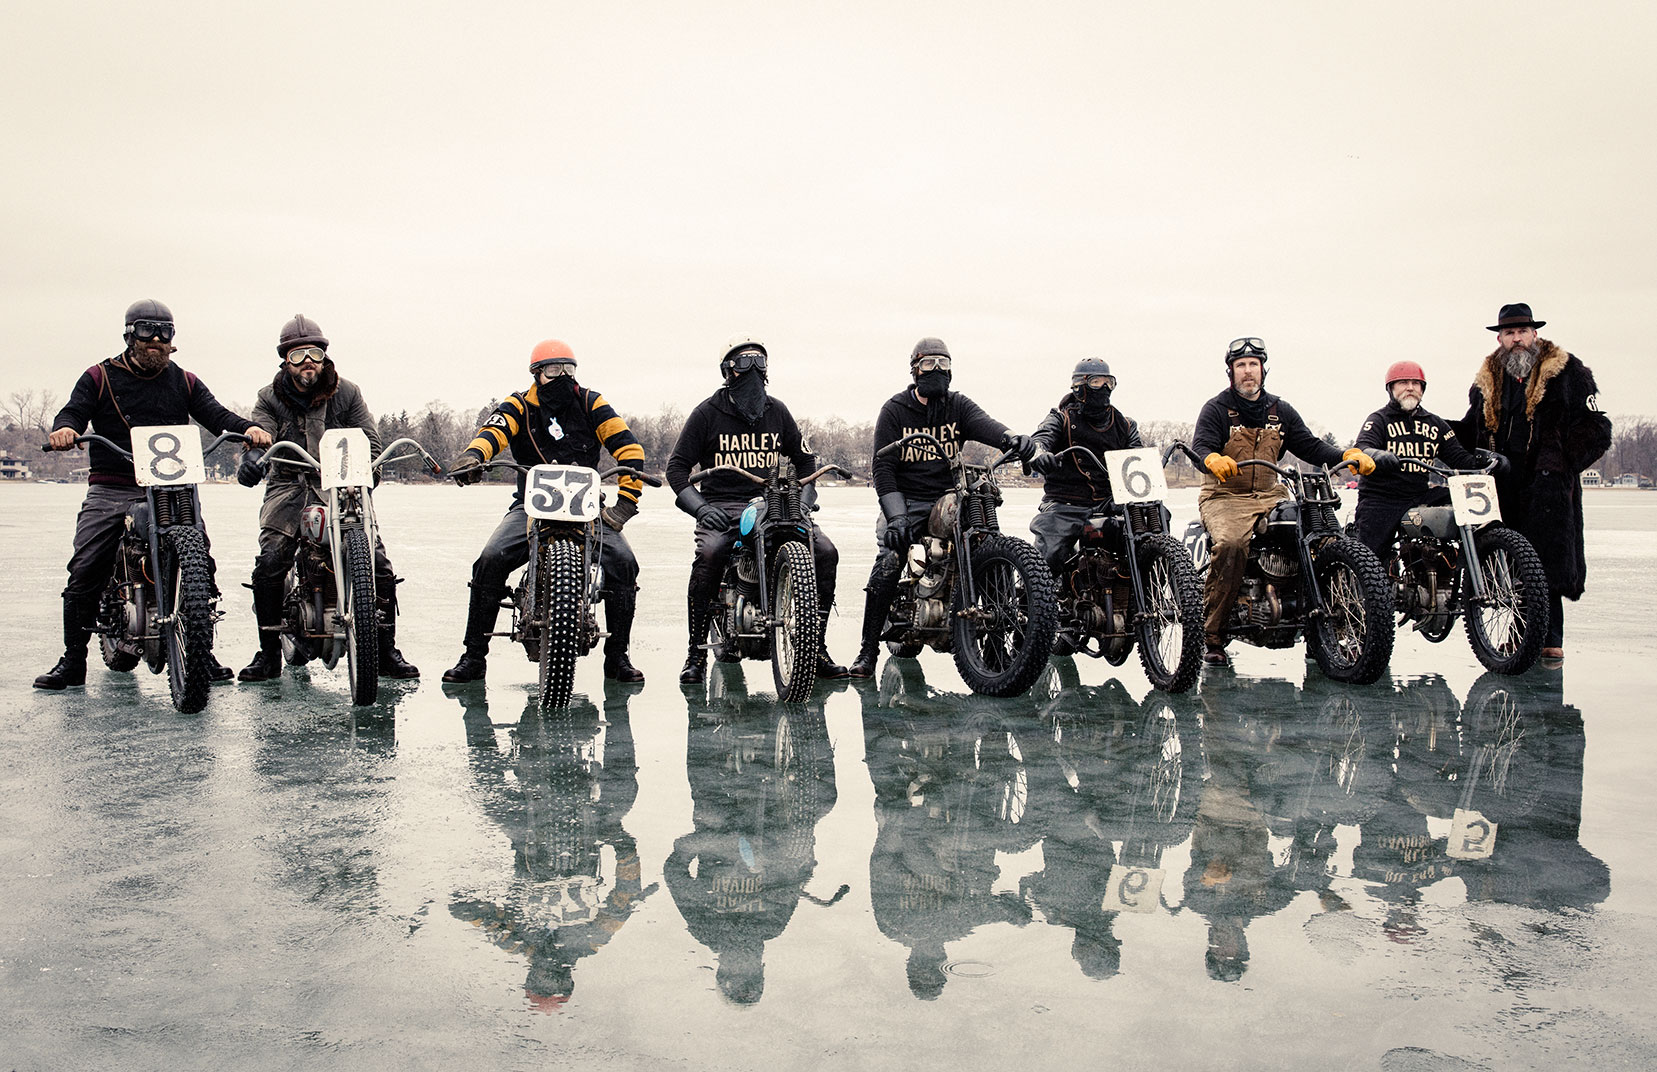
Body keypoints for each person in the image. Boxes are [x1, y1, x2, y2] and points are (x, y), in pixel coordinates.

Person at [35, 299, 272, 690]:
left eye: (165, 333)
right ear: (130, 335)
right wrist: (65, 429)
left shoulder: (185, 381)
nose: (157, 340)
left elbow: (216, 415)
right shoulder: (99, 376)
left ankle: (200, 650)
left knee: (201, 560)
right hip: (115, 484)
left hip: (173, 483)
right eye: (147, 331)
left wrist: (248, 429)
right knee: (87, 564)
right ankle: (73, 660)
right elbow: (74, 411)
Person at [441, 340, 648, 683]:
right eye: (554, 370)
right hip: (530, 507)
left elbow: (628, 447)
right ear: (537, 373)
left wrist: (626, 501)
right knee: (490, 559)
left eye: (569, 369)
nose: (564, 376)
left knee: (624, 563)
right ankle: (474, 656)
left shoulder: (592, 402)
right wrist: (474, 456)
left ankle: (617, 656)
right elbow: (494, 431)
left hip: (586, 508)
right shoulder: (519, 404)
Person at [234, 314, 420, 682]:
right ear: (285, 360)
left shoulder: (347, 392)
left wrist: (368, 475)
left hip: (342, 484)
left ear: (325, 356)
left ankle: (385, 650)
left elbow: (369, 439)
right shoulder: (269, 397)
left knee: (378, 563)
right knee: (271, 559)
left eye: (315, 353)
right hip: (288, 484)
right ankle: (268, 653)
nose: (308, 362)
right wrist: (252, 460)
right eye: (298, 354)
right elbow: (261, 435)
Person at [845, 337, 1038, 678]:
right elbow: (882, 467)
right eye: (928, 363)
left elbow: (986, 424)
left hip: (950, 497)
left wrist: (1012, 438)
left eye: (943, 363)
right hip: (908, 500)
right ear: (915, 369)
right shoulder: (895, 410)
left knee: (987, 542)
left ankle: (996, 649)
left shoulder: (957, 405)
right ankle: (867, 651)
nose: (936, 369)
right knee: (889, 558)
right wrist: (896, 516)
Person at [667, 335, 847, 685]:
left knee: (825, 552)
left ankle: (816, 647)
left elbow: (806, 461)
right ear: (727, 371)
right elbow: (677, 469)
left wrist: (804, 500)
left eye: (759, 362)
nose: (753, 370)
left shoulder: (777, 411)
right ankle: (695, 652)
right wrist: (701, 509)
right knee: (711, 553)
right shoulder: (706, 413)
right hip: (724, 505)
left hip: (776, 502)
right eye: (743, 363)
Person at [1191, 336, 1376, 666]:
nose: (1248, 371)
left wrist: (1346, 456)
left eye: (1254, 365)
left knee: (1318, 537)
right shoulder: (1216, 408)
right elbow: (1201, 445)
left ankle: (1322, 625)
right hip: (1225, 496)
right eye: (1241, 365)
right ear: (1231, 372)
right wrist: (1211, 459)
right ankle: (1213, 634)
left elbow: (1310, 446)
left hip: (1270, 493)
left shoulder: (1280, 410)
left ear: (1264, 370)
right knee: (1232, 544)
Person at [1455, 304, 1611, 662]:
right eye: (1509, 333)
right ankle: (1521, 637)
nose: (1517, 339)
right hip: (1500, 485)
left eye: (1522, 332)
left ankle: (1550, 640)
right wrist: (1437, 432)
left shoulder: (1568, 372)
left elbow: (1596, 427)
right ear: (1500, 338)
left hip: (1547, 486)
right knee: (1512, 562)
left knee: (1547, 562)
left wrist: (1560, 464)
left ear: (1535, 334)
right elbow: (1470, 429)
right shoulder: (1486, 381)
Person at [1349, 360, 1483, 557]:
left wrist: (1486, 461)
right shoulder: (1379, 420)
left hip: (1420, 493)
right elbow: (1362, 447)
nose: (1410, 388)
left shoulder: (1435, 423)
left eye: (1416, 383)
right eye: (1403, 382)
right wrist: (1377, 454)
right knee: (1370, 556)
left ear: (1422, 389)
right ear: (1391, 388)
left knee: (1468, 501)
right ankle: (1372, 575)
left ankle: (1466, 562)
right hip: (1382, 497)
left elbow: (1459, 458)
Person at [1026, 358, 1144, 577]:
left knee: (1148, 529)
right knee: (1047, 558)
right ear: (1079, 386)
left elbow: (1137, 456)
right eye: (1096, 382)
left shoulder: (1125, 424)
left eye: (1109, 382)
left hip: (1110, 503)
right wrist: (1040, 453)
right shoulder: (1060, 418)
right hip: (1065, 503)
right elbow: (1041, 438)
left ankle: (1155, 584)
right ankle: (1035, 593)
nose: (1104, 388)